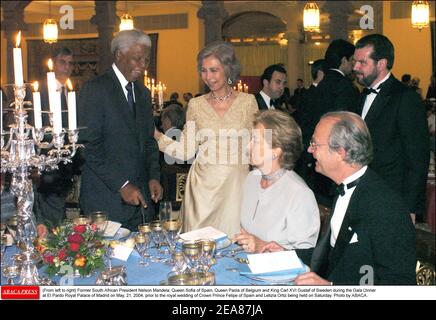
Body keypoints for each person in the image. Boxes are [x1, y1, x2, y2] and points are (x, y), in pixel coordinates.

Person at [262, 112, 416, 285]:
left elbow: (400, 284)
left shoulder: (385, 207)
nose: (309, 149)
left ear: (340, 153)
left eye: (315, 144)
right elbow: (333, 256)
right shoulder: (344, 189)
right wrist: (288, 255)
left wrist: (331, 288)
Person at [155, 40, 258, 236]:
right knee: (199, 247)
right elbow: (185, 151)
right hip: (202, 190)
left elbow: (258, 147)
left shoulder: (248, 102)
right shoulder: (195, 105)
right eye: (203, 70)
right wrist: (157, 136)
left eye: (214, 70)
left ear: (228, 69)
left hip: (237, 188)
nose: (208, 77)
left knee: (235, 245)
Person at [79, 29, 162, 230]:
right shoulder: (96, 90)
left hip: (141, 203)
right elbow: (89, 147)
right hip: (106, 200)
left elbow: (148, 141)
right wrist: (122, 185)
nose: (143, 66)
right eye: (137, 59)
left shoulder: (143, 93)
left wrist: (153, 176)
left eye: (146, 60)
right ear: (118, 55)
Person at [353, 34, 429, 224]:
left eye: (362, 62)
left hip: (392, 199)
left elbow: (418, 159)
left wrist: (410, 208)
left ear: (381, 63)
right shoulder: (361, 97)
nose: (355, 67)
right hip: (361, 196)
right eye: (355, 62)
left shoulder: (405, 98)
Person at [234, 110, 320, 253]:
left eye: (255, 141)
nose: (247, 147)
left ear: (276, 151)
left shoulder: (299, 194)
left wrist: (263, 247)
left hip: (280, 274)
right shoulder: (252, 179)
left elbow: (306, 257)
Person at [307, 39, 360, 207]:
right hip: (335, 159)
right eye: (352, 60)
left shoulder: (319, 86)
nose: (354, 66)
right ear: (344, 60)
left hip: (314, 159)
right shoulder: (345, 86)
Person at [32, 47, 77, 227]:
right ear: (53, 65)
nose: (67, 68)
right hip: (46, 166)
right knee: (50, 218)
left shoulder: (70, 92)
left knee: (59, 216)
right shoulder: (40, 92)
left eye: (70, 63)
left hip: (65, 165)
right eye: (62, 62)